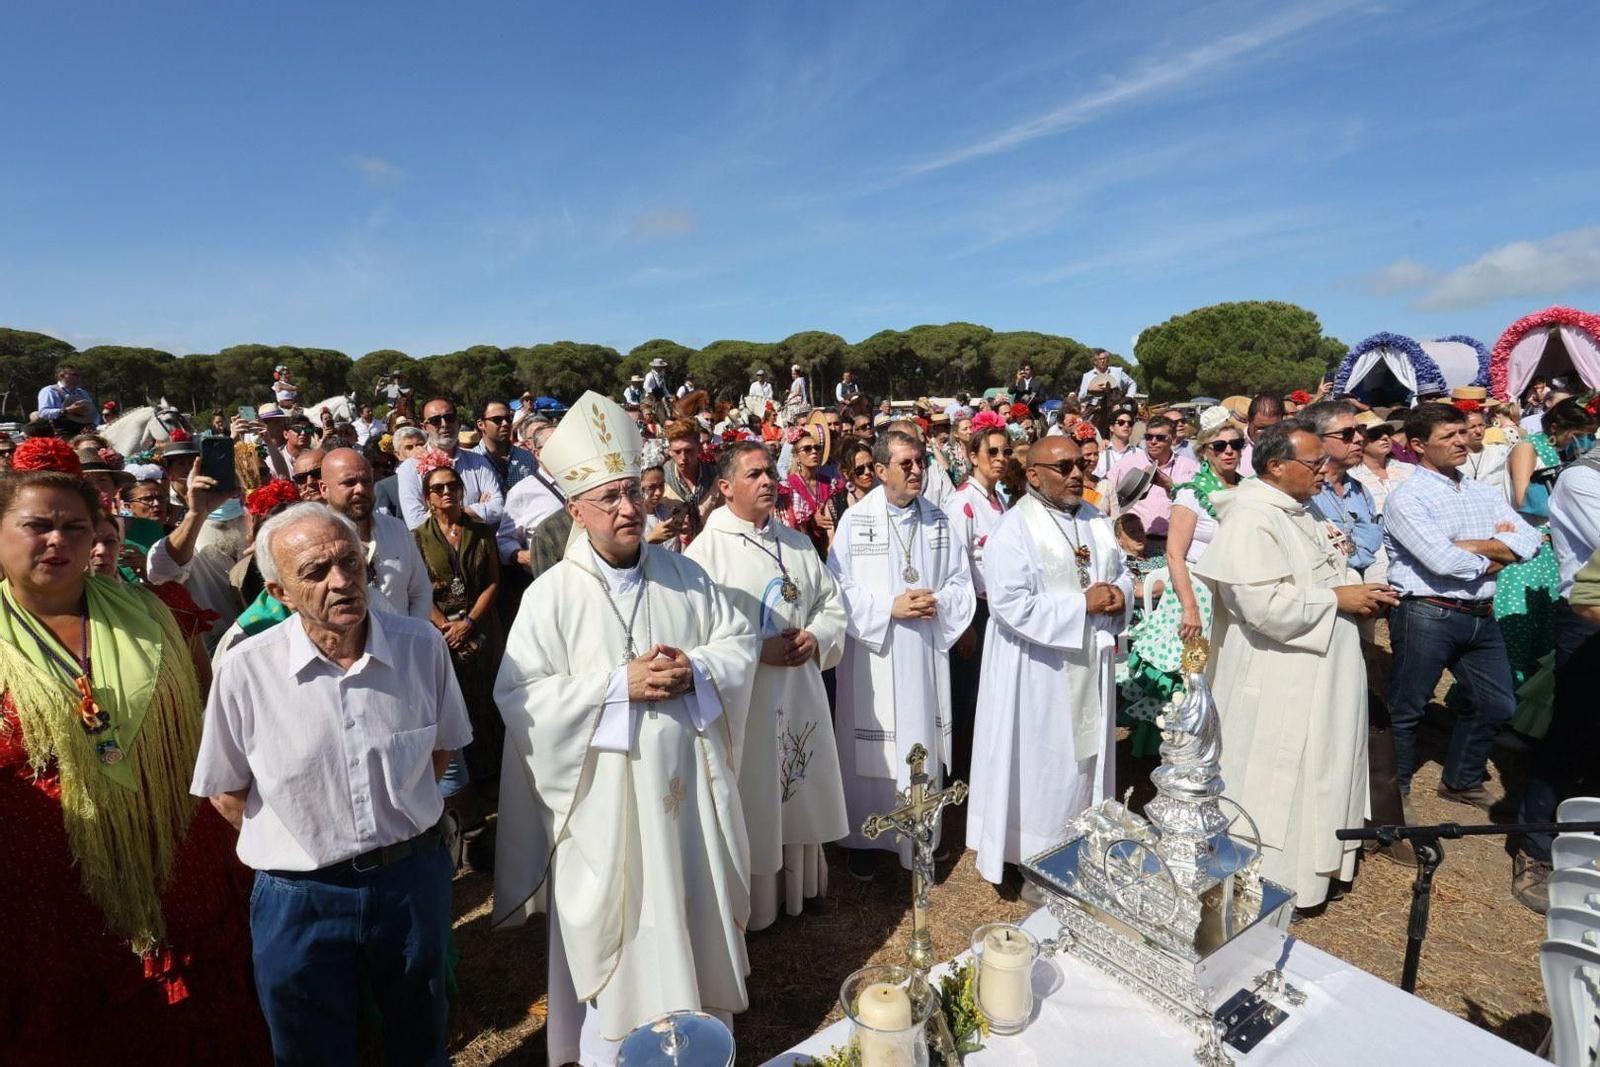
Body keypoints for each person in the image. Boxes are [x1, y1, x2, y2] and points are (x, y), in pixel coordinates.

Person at [491, 391, 757, 1066]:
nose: (629, 509)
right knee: (629, 937)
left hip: (688, 803)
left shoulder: (687, 575)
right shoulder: (550, 596)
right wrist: (618, 686)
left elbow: (737, 643)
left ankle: (704, 1045)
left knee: (692, 919)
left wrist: (697, 667)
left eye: (635, 492)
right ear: (575, 509)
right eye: (609, 497)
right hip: (608, 816)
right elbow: (520, 696)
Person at [0, 459, 269, 1063]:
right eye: (36, 525)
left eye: (76, 527)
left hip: (178, 863)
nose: (58, 540)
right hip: (49, 903)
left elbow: (205, 720)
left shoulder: (156, 612)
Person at [192, 502, 469, 1064]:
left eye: (350, 562)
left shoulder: (421, 646)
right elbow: (227, 792)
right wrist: (305, 842)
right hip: (301, 898)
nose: (341, 582)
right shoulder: (246, 670)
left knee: (419, 1035)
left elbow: (440, 749)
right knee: (311, 1048)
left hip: (410, 879)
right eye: (316, 572)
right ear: (280, 590)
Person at [1193, 423, 1396, 908]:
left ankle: (1318, 865)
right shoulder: (1252, 519)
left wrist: (1364, 594)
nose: (1325, 471)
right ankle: (1272, 877)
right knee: (1279, 776)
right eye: (1314, 463)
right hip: (1282, 673)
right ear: (1276, 466)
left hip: (1324, 670)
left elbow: (1326, 570)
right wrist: (1338, 598)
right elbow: (1261, 606)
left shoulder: (1299, 511)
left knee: (1322, 765)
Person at [685, 442, 848, 927]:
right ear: (725, 486)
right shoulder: (703, 555)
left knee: (801, 785)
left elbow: (832, 604)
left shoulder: (796, 542)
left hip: (801, 689)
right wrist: (756, 652)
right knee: (756, 794)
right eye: (754, 474)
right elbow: (696, 639)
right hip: (748, 704)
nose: (767, 481)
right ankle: (757, 906)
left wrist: (815, 636)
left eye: (769, 473)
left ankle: (804, 886)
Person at [966, 434, 1129, 896]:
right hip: (1038, 671)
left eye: (1080, 464)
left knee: (1083, 762)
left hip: (1089, 664)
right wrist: (1082, 604)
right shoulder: (1014, 529)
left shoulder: (1095, 519)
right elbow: (1009, 605)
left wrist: (1121, 594)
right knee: (1042, 765)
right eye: (1065, 467)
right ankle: (1035, 858)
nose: (1078, 474)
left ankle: (1081, 841)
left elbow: (1118, 571)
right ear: (1034, 475)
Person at [827, 430, 975, 881]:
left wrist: (940, 603)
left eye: (920, 463)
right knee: (871, 747)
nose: (916, 470)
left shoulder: (940, 520)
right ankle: (864, 841)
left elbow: (960, 581)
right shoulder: (855, 520)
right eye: (905, 463)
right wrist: (888, 607)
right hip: (876, 654)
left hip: (925, 650)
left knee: (919, 742)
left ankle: (920, 838)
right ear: (879, 470)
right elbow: (838, 589)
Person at [1382, 404, 1541, 814]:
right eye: (1448, 436)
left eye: (1462, 432)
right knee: (1407, 709)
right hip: (1427, 613)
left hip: (1479, 615)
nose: (1461, 441)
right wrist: (1499, 552)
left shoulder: (1480, 491)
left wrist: (1475, 547)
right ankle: (1391, 793)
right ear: (1418, 445)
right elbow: (1444, 562)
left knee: (1497, 704)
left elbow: (1531, 538)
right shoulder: (1407, 498)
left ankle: (1461, 779)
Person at [1121, 407, 1247, 752]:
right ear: (1205, 450)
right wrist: (1189, 607)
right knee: (1190, 676)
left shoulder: (1250, 491)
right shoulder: (1191, 493)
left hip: (1237, 596)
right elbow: (1175, 555)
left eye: (1235, 443)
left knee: (1230, 671)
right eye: (1219, 445)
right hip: (1198, 594)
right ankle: (1181, 750)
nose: (1229, 451)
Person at [1511, 440, 1600, 911]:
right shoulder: (1584, 477)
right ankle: (1533, 844)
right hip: (1587, 619)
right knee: (1571, 732)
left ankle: (1586, 838)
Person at [1499, 398, 1598, 702]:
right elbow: (1522, 497)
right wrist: (1565, 479)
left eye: (1590, 434)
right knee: (1522, 631)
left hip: (1556, 549)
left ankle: (1533, 710)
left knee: (1546, 634)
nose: (1585, 441)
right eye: (1578, 434)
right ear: (1556, 428)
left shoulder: (1568, 453)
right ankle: (1507, 702)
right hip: (1532, 547)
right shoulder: (1528, 447)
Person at [946, 418, 1009, 779]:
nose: (1000, 458)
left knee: (988, 693)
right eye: (992, 452)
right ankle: (960, 775)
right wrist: (966, 622)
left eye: (1005, 451)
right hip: (976, 611)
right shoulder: (963, 502)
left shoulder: (998, 499)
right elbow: (956, 567)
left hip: (997, 610)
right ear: (973, 456)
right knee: (967, 695)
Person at [319, 448, 433, 620]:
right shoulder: (314, 540)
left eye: (367, 481)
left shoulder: (396, 529)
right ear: (323, 489)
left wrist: (411, 635)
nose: (360, 489)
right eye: (349, 482)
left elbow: (420, 591)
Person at [1301, 400, 1383, 576]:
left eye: (1359, 431)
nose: (1360, 438)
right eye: (1347, 434)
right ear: (1317, 440)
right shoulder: (1302, 494)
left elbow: (1369, 550)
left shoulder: (1360, 490)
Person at [398, 398, 504, 530]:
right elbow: (416, 523)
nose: (444, 424)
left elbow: (498, 508)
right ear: (424, 427)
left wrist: (441, 514)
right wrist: (477, 511)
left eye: (449, 418)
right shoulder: (409, 469)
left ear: (458, 421)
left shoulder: (478, 462)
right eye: (435, 421)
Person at [1106, 410, 1199, 542]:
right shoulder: (1126, 463)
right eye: (1149, 437)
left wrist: (1169, 484)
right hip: (1134, 541)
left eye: (1160, 438)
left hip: (1173, 541)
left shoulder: (1190, 467)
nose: (1153, 442)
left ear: (1172, 439)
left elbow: (1197, 501)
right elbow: (1107, 492)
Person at [497, 420, 568, 567]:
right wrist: (526, 557)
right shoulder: (521, 492)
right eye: (552, 447)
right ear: (537, 454)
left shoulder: (584, 481)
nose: (561, 451)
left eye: (563, 445)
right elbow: (504, 540)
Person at [779, 426, 836, 557]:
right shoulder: (788, 487)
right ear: (797, 456)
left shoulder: (831, 484)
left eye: (817, 448)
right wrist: (812, 522)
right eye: (807, 449)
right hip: (803, 552)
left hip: (831, 550)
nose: (814, 452)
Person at [662, 418, 718, 543]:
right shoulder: (662, 480)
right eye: (677, 452)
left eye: (688, 451)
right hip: (673, 555)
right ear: (670, 450)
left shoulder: (715, 477)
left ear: (699, 447)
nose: (683, 458)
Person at [473, 397, 535, 493]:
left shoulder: (528, 459)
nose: (505, 423)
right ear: (481, 424)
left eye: (508, 419)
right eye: (497, 420)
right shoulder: (470, 463)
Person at [1461, 405, 1511, 497]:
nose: (1479, 431)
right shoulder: (1455, 459)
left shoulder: (1500, 452)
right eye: (1472, 427)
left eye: (1481, 425)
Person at [36, 363, 99, 433]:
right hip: (60, 434)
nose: (78, 377)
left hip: (83, 434)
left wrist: (93, 424)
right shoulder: (50, 391)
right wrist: (66, 410)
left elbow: (94, 412)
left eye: (79, 375)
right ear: (62, 375)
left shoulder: (82, 392)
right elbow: (43, 413)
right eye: (74, 374)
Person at [1240, 392, 1285, 474]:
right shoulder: (1234, 447)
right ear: (1249, 421)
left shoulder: (1290, 446)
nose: (1268, 434)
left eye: (1273, 428)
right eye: (1261, 428)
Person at [1094, 406, 1136, 478]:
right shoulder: (1100, 452)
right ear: (1111, 428)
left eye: (1130, 423)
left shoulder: (1139, 453)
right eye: (1121, 422)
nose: (1126, 425)